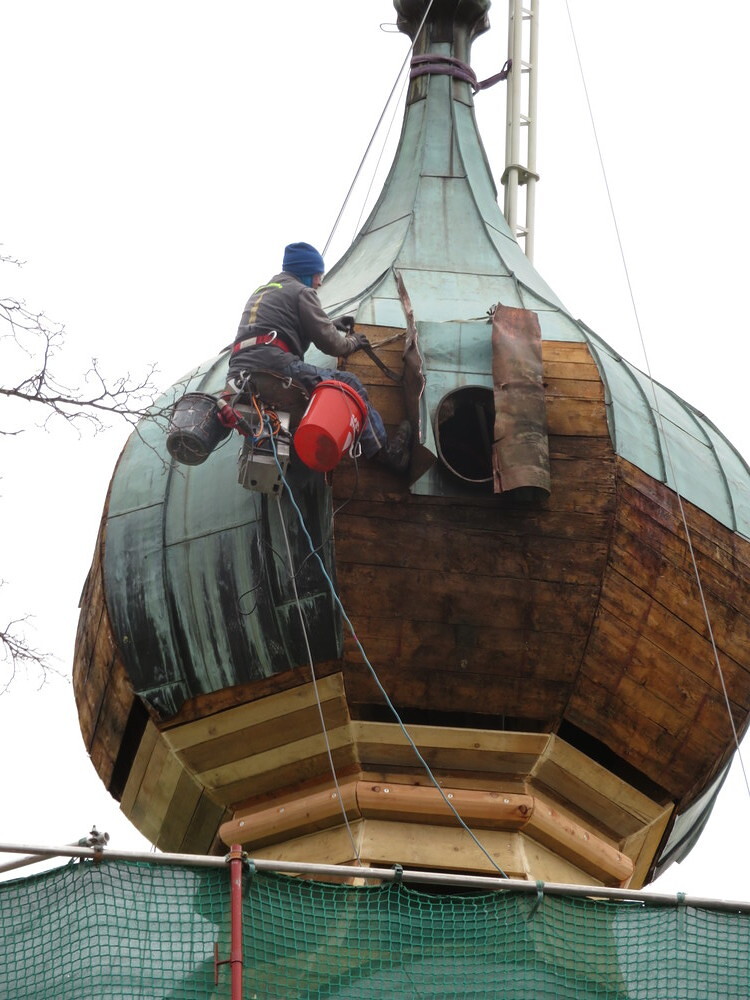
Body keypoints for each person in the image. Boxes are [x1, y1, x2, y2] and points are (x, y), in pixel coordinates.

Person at [227, 242, 411, 471]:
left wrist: (331, 324)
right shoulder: (301, 292)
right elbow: (332, 344)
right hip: (273, 366)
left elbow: (278, 328)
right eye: (317, 275)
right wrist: (353, 342)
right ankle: (383, 452)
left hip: (238, 377)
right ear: (305, 272)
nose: (320, 282)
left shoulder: (264, 291)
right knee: (347, 384)